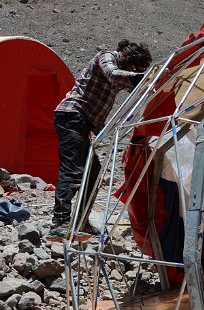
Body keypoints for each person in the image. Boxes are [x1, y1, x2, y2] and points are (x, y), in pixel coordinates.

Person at [48, 40, 152, 241]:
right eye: (133, 69)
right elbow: (113, 73)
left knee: (93, 173)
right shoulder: (106, 58)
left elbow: (136, 88)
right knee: (73, 170)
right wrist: (139, 77)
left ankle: (81, 221)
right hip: (72, 116)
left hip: (83, 123)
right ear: (128, 59)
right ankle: (59, 223)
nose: (133, 72)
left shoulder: (123, 72)